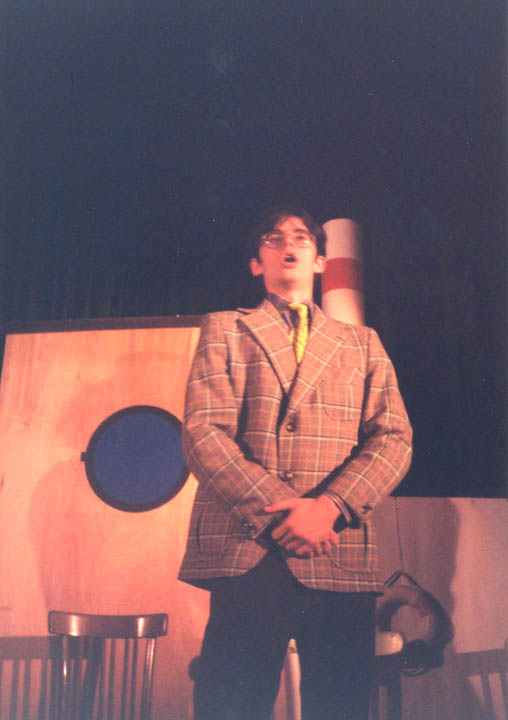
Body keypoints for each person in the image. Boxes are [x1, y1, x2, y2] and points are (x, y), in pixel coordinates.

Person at [178, 206, 412, 720]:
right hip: (250, 547)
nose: (288, 243)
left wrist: (329, 507)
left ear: (320, 261)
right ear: (256, 263)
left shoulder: (362, 343)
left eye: (302, 237)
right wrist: (285, 510)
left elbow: (394, 438)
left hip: (337, 548)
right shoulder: (225, 328)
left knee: (342, 707)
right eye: (273, 237)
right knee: (231, 706)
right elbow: (203, 433)